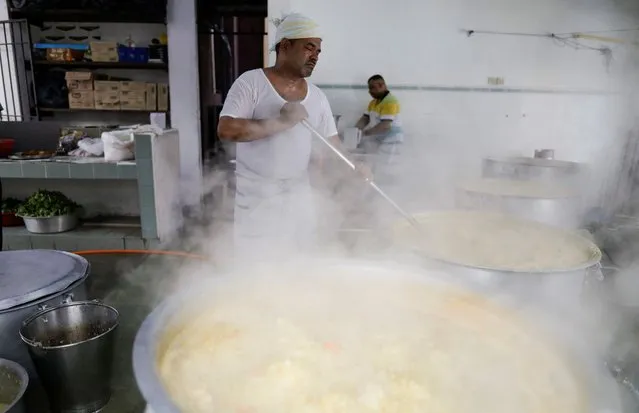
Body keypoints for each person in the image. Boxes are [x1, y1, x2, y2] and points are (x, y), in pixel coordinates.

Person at [217, 13, 357, 262]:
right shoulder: (251, 83)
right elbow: (226, 130)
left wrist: (354, 168)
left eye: (318, 51)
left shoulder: (317, 97)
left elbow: (332, 147)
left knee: (300, 265)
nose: (315, 56)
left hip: (298, 197)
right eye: (309, 47)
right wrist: (281, 123)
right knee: (256, 266)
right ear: (285, 46)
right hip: (258, 198)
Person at [355, 74, 403, 153]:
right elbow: (365, 119)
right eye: (369, 88)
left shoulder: (390, 101)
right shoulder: (373, 102)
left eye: (372, 88)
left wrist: (365, 133)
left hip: (391, 142)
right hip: (380, 140)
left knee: (386, 164)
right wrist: (354, 131)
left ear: (382, 86)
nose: (370, 91)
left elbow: (385, 125)